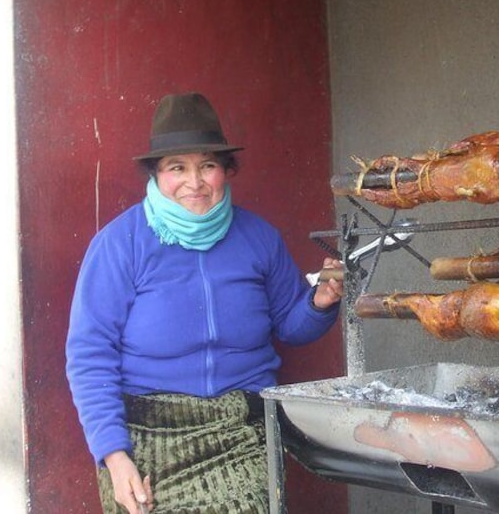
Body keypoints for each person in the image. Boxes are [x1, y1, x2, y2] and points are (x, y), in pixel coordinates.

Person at [66, 92, 343, 513]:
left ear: (226, 172)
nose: (194, 182)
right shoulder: (119, 245)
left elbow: (290, 323)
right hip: (146, 432)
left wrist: (320, 303)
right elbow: (89, 354)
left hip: (241, 427)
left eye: (207, 166)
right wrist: (113, 455)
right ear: (157, 175)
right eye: (177, 167)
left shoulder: (258, 238)